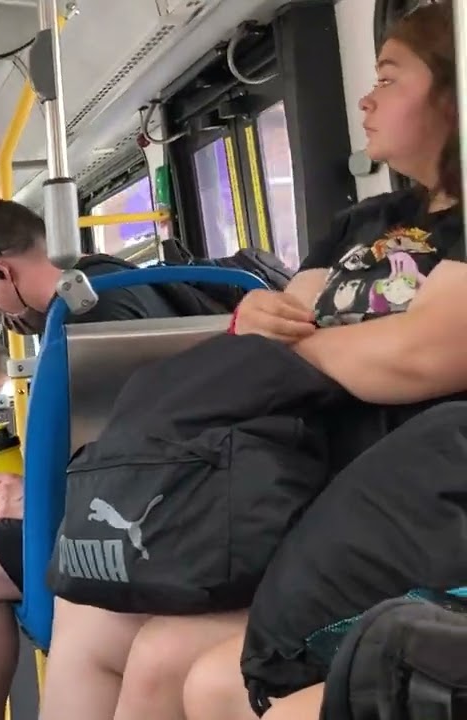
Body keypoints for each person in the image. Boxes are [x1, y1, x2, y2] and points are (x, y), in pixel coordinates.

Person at [177, 5, 466, 720]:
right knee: (124, 630)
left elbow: (414, 358)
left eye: (391, 80)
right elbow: (270, 330)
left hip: (403, 516)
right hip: (303, 485)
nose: (366, 100)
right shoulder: (357, 224)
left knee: (207, 680)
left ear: (454, 96)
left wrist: (296, 346)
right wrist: (256, 325)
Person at [0, 198, 215, 719]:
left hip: (161, 527)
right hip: (196, 499)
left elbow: (130, 463)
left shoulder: (89, 319)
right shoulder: (120, 285)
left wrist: (38, 503)